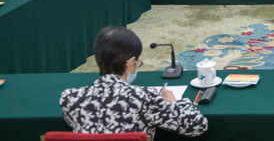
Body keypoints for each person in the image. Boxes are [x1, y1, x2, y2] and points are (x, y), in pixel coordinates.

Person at [60, 26, 208, 137]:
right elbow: (197, 126)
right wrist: (175, 103)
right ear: (130, 64)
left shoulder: (70, 99)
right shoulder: (145, 98)